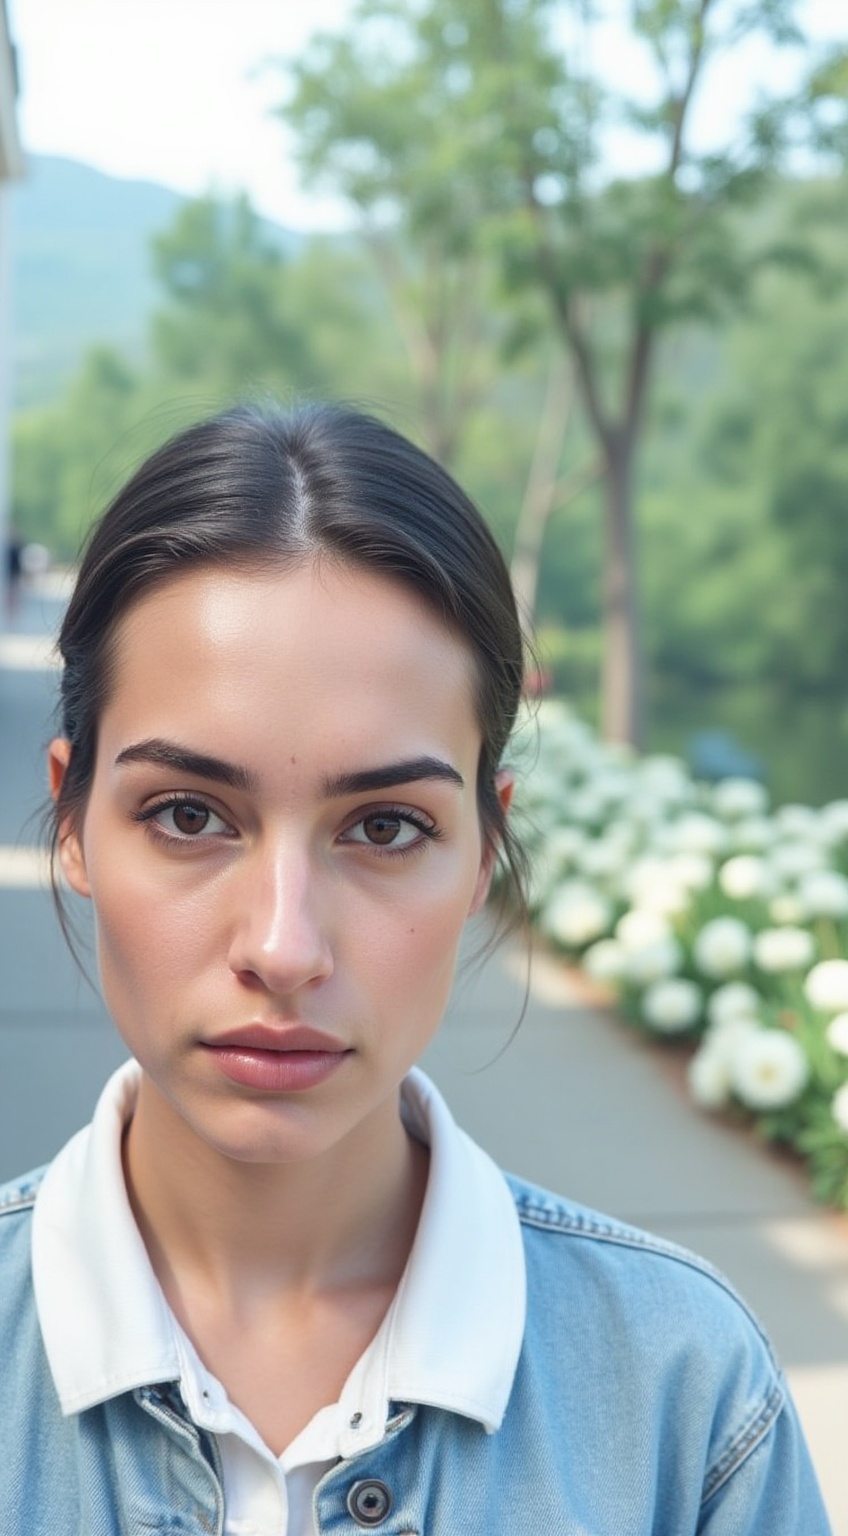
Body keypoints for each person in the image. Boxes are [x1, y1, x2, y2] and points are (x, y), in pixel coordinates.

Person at [0, 403, 830, 1534]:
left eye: (384, 828)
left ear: (485, 848)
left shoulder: (684, 1398)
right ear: (73, 821)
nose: (283, 948)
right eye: (189, 814)